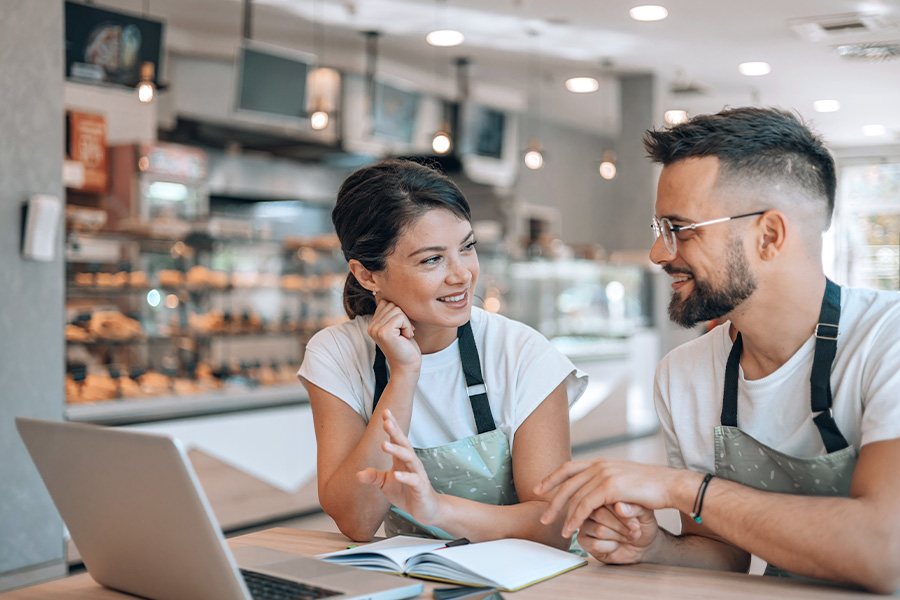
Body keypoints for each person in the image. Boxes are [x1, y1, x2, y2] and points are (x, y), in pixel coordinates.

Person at [536, 107, 900, 593]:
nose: (659, 254)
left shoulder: (887, 340)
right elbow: (725, 555)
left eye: (681, 229)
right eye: (659, 230)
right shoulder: (684, 374)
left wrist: (681, 488)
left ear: (769, 235)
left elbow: (885, 551)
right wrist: (653, 546)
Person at [299, 159, 587, 548]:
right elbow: (357, 520)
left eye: (467, 248)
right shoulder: (336, 354)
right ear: (368, 275)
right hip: (415, 582)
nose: (462, 275)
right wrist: (402, 375)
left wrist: (438, 511)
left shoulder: (522, 353)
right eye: (432, 259)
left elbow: (553, 524)